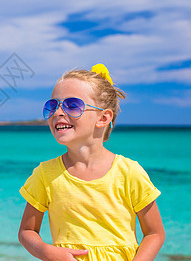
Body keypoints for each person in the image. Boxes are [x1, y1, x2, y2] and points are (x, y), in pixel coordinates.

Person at [18, 64, 165, 261]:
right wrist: (46, 251)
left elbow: (155, 233)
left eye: (72, 105)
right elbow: (27, 231)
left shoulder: (129, 172)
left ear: (103, 118)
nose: (58, 112)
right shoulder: (45, 174)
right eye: (52, 106)